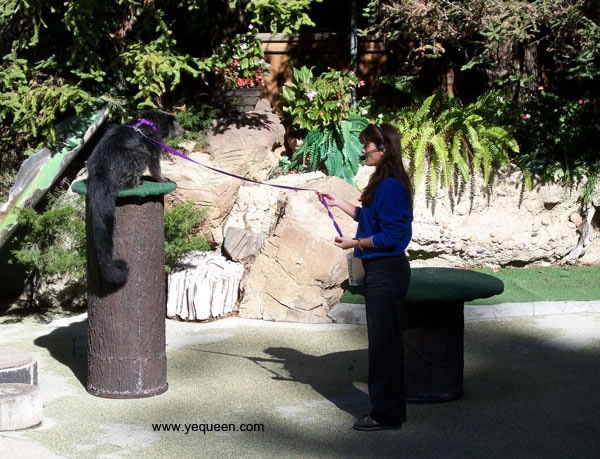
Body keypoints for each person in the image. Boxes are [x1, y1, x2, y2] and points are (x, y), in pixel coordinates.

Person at [317, 123, 413, 432]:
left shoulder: (391, 186)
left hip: (387, 271)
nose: (362, 150)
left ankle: (386, 415)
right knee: (385, 343)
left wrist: (355, 243)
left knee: (384, 346)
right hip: (380, 270)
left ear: (382, 148)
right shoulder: (383, 181)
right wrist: (338, 202)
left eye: (367, 145)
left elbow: (393, 236)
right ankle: (391, 410)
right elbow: (369, 217)